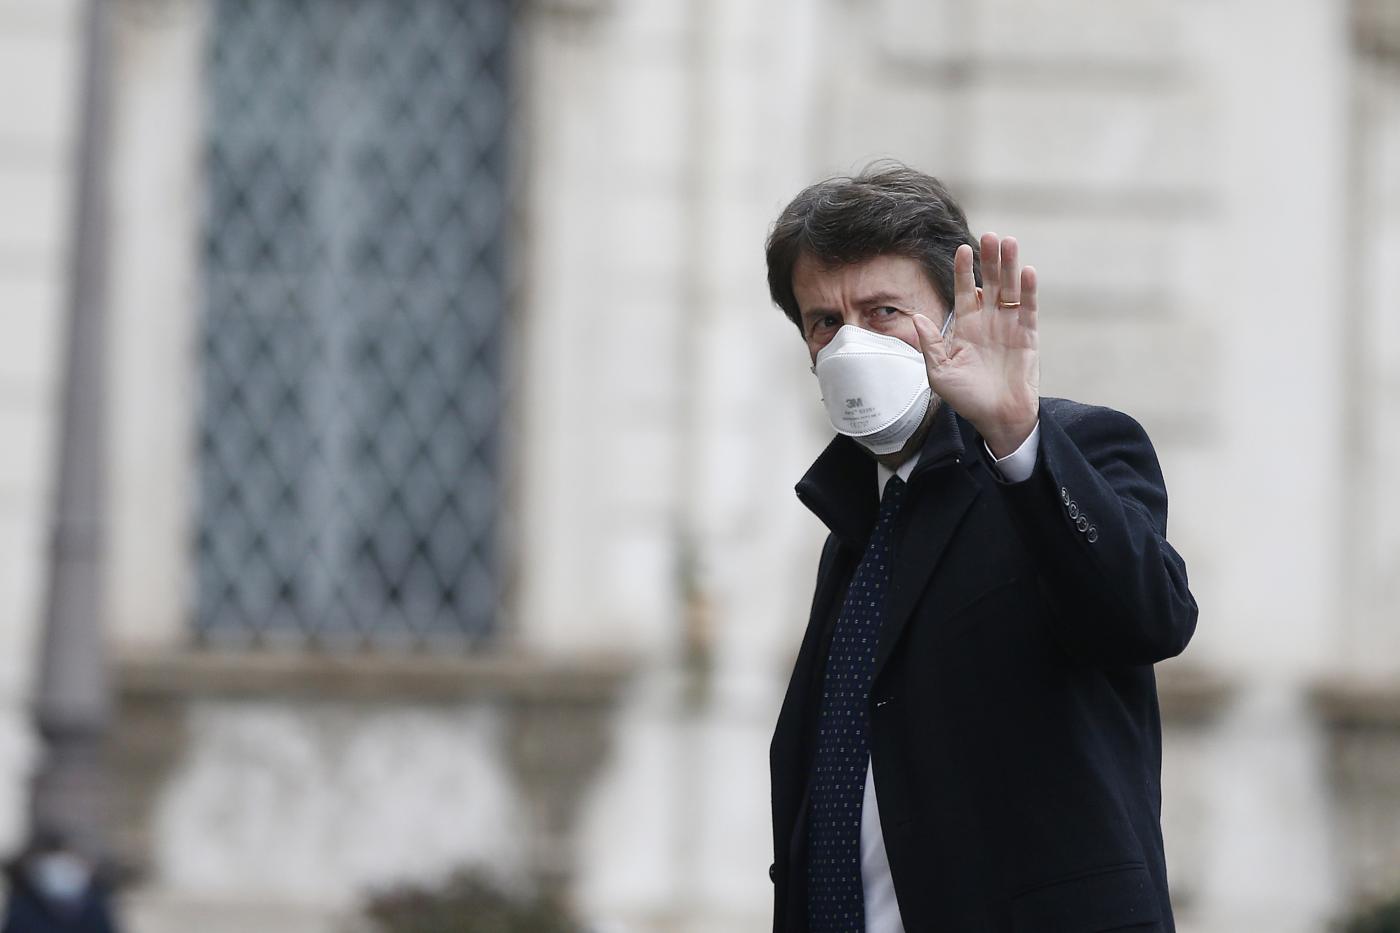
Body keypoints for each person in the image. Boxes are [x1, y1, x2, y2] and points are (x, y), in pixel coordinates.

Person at [765, 164, 1198, 933]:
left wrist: (1016, 435)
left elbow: (1149, 617)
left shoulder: (1061, 453)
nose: (850, 341)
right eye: (825, 320)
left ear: (954, 317)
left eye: (884, 310)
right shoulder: (856, 529)